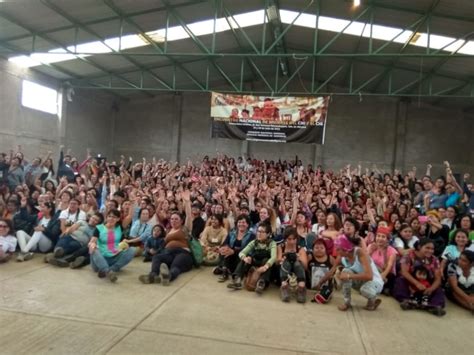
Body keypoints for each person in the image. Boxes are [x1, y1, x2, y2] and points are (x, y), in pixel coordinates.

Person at [393, 239, 446, 316]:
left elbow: (438, 278)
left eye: (432, 249)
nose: (430, 251)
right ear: (419, 247)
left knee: (438, 289)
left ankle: (434, 306)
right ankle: (406, 301)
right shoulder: (408, 256)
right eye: (427, 248)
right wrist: (417, 283)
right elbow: (404, 272)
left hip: (426, 285)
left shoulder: (435, 260)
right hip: (411, 283)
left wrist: (431, 289)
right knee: (400, 281)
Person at [138, 211, 193, 285]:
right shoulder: (169, 231)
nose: (173, 221)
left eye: (176, 219)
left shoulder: (184, 229)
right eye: (172, 219)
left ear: (181, 221)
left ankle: (168, 277)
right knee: (156, 257)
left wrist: (186, 202)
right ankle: (153, 276)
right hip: (169, 253)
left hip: (182, 253)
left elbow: (189, 216)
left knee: (175, 265)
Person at [334, 234, 383, 311]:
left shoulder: (359, 253)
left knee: (364, 289)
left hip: (375, 282)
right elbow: (333, 269)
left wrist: (348, 276)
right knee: (345, 271)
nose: (335, 250)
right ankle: (347, 302)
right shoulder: (343, 257)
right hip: (362, 281)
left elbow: (369, 276)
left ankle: (373, 299)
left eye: (338, 248)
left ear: (345, 249)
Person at [227, 221, 277, 294]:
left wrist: (266, 266)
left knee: (267, 260)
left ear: (268, 234)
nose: (259, 234)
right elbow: (242, 253)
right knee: (246, 259)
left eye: (262, 232)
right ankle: (237, 280)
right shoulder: (254, 242)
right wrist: (245, 258)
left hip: (265, 265)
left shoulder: (272, 243)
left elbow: (273, 257)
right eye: (258, 231)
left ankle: (261, 283)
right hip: (255, 262)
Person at [88, 209, 135, 282]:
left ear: (118, 219)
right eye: (109, 216)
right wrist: (92, 244)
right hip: (100, 260)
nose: (111, 219)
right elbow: (92, 241)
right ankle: (107, 271)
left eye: (114, 217)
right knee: (93, 248)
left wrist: (132, 203)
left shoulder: (119, 227)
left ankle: (111, 269)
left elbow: (130, 216)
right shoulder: (99, 228)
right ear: (106, 217)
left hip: (114, 256)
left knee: (131, 250)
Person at [216, 214, 254, 282]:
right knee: (225, 251)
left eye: (243, 222)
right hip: (230, 257)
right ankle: (225, 271)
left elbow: (248, 250)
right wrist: (224, 248)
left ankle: (235, 274)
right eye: (239, 222)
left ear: (247, 224)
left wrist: (233, 251)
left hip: (241, 258)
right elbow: (224, 243)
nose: (241, 224)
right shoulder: (232, 233)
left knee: (243, 256)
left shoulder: (252, 236)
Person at [277, 227, 308, 303]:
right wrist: (282, 259)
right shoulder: (281, 247)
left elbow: (305, 266)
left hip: (297, 272)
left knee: (297, 264)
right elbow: (277, 262)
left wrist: (299, 258)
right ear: (285, 239)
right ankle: (284, 287)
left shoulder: (300, 249)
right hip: (285, 272)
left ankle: (301, 288)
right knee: (286, 263)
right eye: (289, 239)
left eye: (294, 239)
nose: (292, 241)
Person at [367, 226, 397, 295]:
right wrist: (370, 251)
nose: (380, 239)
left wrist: (382, 276)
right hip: (373, 272)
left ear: (387, 239)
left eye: (383, 237)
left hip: (386, 275)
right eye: (378, 236)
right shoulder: (371, 246)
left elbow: (390, 266)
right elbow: (365, 261)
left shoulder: (391, 250)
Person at [308, 238, 334, 303]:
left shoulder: (330, 258)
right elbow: (304, 267)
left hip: (326, 286)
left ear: (325, 250)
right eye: (316, 248)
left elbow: (336, 268)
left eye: (322, 248)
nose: (319, 249)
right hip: (310, 286)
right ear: (312, 249)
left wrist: (333, 275)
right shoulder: (310, 257)